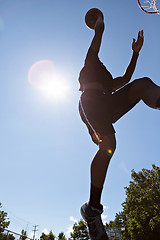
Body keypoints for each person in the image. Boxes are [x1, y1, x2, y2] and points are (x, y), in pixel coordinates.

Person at [78, 8, 160, 240]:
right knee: (109, 145)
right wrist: (99, 22)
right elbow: (99, 37)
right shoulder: (90, 60)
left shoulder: (106, 79)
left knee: (142, 84)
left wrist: (135, 54)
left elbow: (124, 79)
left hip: (107, 102)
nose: (102, 67)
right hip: (90, 102)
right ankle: (92, 210)